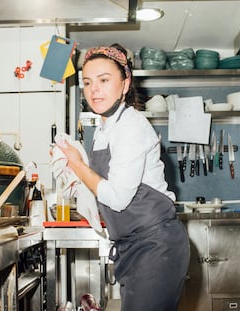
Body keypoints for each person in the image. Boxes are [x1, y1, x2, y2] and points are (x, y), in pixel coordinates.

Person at [55, 43, 190, 311]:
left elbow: (117, 197)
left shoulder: (131, 126)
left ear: (125, 84)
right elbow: (105, 189)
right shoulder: (103, 130)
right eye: (88, 82)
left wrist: (79, 165)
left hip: (155, 248)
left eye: (104, 80)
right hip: (132, 246)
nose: (94, 89)